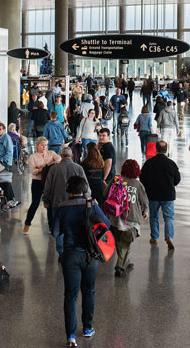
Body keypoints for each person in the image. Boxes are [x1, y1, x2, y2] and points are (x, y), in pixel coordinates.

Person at [51, 176, 110, 347]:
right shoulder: (91, 205)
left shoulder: (62, 207)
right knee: (89, 291)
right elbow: (105, 224)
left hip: (70, 256)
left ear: (68, 189)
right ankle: (87, 328)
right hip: (91, 256)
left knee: (70, 295)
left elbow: (55, 233)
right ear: (85, 189)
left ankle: (70, 336)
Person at [139, 141, 181, 249]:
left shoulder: (149, 163)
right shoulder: (171, 164)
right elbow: (177, 179)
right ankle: (169, 237)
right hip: (168, 195)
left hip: (152, 195)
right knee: (169, 217)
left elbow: (142, 178)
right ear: (166, 150)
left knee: (153, 216)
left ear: (156, 149)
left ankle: (154, 237)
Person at [111, 160, 149, 277]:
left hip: (115, 218)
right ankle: (119, 266)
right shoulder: (138, 185)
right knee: (125, 244)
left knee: (121, 244)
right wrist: (145, 212)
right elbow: (144, 202)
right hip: (132, 219)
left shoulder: (117, 181)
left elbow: (105, 194)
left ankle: (124, 262)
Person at [23, 137, 62, 235]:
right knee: (35, 203)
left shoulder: (51, 153)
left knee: (49, 204)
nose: (44, 147)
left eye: (45, 145)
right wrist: (46, 168)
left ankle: (51, 226)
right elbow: (33, 171)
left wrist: (54, 163)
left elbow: (59, 158)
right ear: (37, 146)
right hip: (37, 182)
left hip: (49, 182)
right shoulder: (32, 157)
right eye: (42, 145)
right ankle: (27, 224)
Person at [0, 123, 19, 207]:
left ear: (4, 130)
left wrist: (2, 161)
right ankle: (6, 198)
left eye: (0, 129)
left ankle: (10, 200)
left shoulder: (6, 138)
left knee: (5, 181)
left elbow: (9, 151)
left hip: (4, 163)